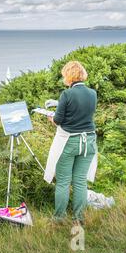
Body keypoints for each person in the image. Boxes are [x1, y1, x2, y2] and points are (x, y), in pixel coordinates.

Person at [45, 61, 98, 226]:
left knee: (63, 181)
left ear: (69, 76)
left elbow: (59, 120)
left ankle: (58, 218)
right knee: (80, 181)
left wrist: (51, 118)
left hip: (69, 142)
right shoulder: (92, 93)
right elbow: (84, 114)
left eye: (64, 75)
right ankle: (78, 218)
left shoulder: (66, 95)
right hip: (89, 141)